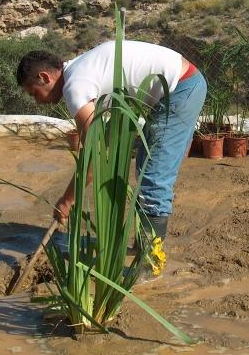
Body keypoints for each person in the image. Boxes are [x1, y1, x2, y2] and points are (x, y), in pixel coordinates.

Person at [16, 39, 207, 270]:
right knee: (146, 166)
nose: (37, 101)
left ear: (45, 77)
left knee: (154, 178)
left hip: (181, 88)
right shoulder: (77, 70)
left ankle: (150, 264)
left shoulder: (74, 87)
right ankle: (143, 246)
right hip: (182, 84)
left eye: (34, 93)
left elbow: (94, 158)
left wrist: (67, 201)